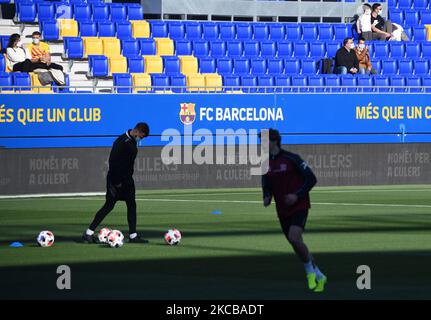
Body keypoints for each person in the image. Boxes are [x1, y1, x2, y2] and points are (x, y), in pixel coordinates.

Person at [260, 129, 327, 292]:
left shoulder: (292, 158)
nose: (261, 144)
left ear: (274, 141)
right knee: (296, 244)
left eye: (264, 140)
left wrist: (297, 196)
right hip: (282, 210)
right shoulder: (265, 163)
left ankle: (309, 273)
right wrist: (267, 196)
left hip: (299, 206)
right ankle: (319, 275)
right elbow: (266, 184)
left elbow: (311, 179)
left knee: (294, 237)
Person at [82, 123, 150, 244]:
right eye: (142, 136)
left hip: (127, 180)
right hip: (116, 180)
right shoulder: (121, 142)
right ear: (137, 131)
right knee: (109, 206)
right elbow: (113, 161)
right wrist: (117, 182)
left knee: (132, 205)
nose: (142, 139)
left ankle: (133, 236)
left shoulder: (132, 141)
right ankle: (88, 233)